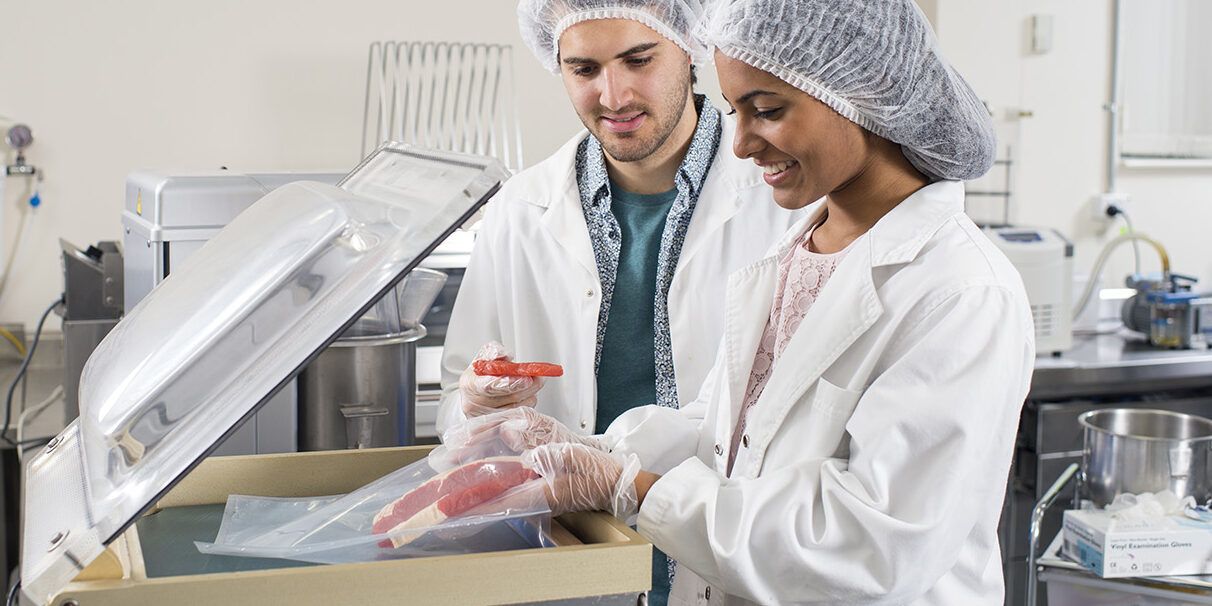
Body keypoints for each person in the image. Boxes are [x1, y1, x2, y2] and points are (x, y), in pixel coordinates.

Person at [489, 0, 1036, 603]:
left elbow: (869, 547)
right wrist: (587, 456)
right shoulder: (800, 248)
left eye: (767, 111)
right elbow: (728, 430)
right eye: (734, 112)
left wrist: (634, 490)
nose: (742, 145)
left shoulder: (960, 292)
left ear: (860, 92)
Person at [437, 1, 802, 602]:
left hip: (737, 555)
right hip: (575, 564)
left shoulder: (786, 201)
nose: (614, 95)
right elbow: (457, 410)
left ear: (691, 48)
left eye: (639, 59)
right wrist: (476, 406)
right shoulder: (519, 212)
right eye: (584, 69)